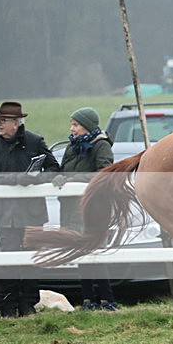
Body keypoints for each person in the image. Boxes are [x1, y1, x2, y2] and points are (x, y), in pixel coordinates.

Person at [0, 101, 59, 317]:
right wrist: (18, 179)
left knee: (32, 260)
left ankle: (28, 306)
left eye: (2, 120)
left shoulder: (35, 142)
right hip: (6, 215)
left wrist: (35, 180)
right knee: (8, 261)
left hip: (33, 213)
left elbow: (53, 167)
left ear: (15, 123)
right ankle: (7, 307)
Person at [52, 107, 118, 311]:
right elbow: (65, 171)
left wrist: (73, 180)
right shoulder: (73, 147)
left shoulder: (102, 146)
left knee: (96, 254)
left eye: (75, 124)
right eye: (71, 124)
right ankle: (89, 299)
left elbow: (103, 174)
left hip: (93, 209)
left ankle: (108, 300)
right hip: (72, 209)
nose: (72, 129)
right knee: (81, 254)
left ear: (87, 126)